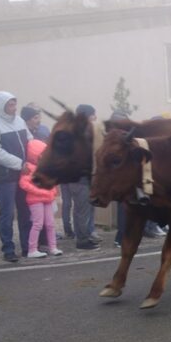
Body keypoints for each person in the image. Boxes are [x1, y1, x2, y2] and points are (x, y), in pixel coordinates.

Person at [0, 91, 32, 262]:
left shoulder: (19, 121)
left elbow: (29, 140)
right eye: (10, 105)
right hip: (5, 176)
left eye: (14, 104)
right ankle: (8, 248)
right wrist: (18, 163)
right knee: (8, 213)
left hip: (24, 173)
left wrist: (35, 157)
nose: (14, 108)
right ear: (1, 106)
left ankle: (28, 247)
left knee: (26, 211)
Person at [19, 139, 62, 258]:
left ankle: (53, 247)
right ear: (35, 154)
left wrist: (52, 192)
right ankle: (32, 249)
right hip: (35, 200)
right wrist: (41, 191)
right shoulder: (28, 168)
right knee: (38, 224)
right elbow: (24, 184)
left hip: (47, 199)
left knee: (50, 224)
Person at [67, 104, 100, 250]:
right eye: (93, 115)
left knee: (84, 209)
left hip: (81, 177)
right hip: (80, 178)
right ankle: (82, 240)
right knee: (82, 210)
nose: (95, 117)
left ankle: (85, 235)